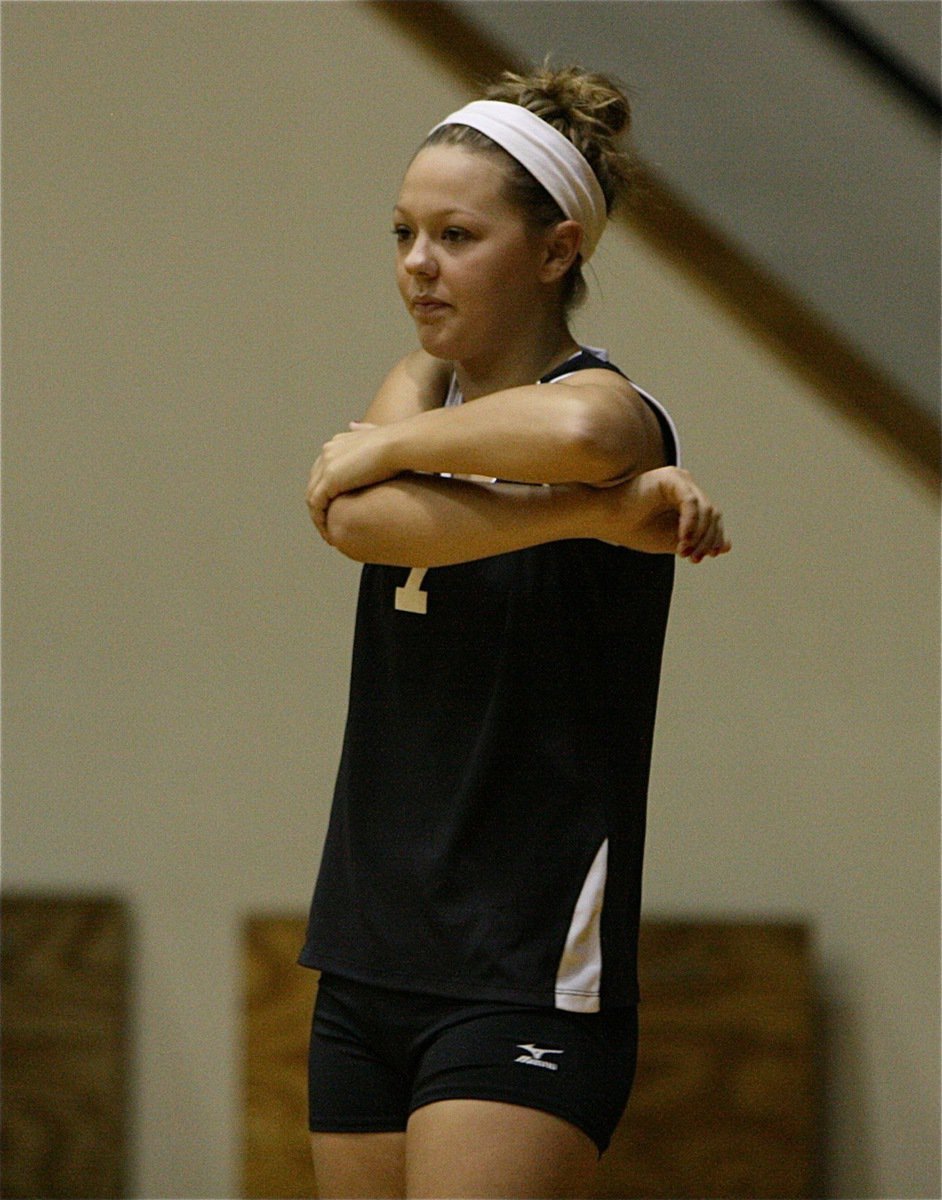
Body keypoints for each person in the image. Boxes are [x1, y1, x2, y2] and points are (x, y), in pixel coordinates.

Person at [300, 64, 730, 1200]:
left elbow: (586, 429)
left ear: (557, 251)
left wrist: (388, 446)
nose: (417, 264)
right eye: (402, 233)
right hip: (367, 944)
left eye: (456, 234)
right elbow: (364, 526)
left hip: (523, 960)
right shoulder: (416, 392)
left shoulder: (615, 411)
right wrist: (596, 520)